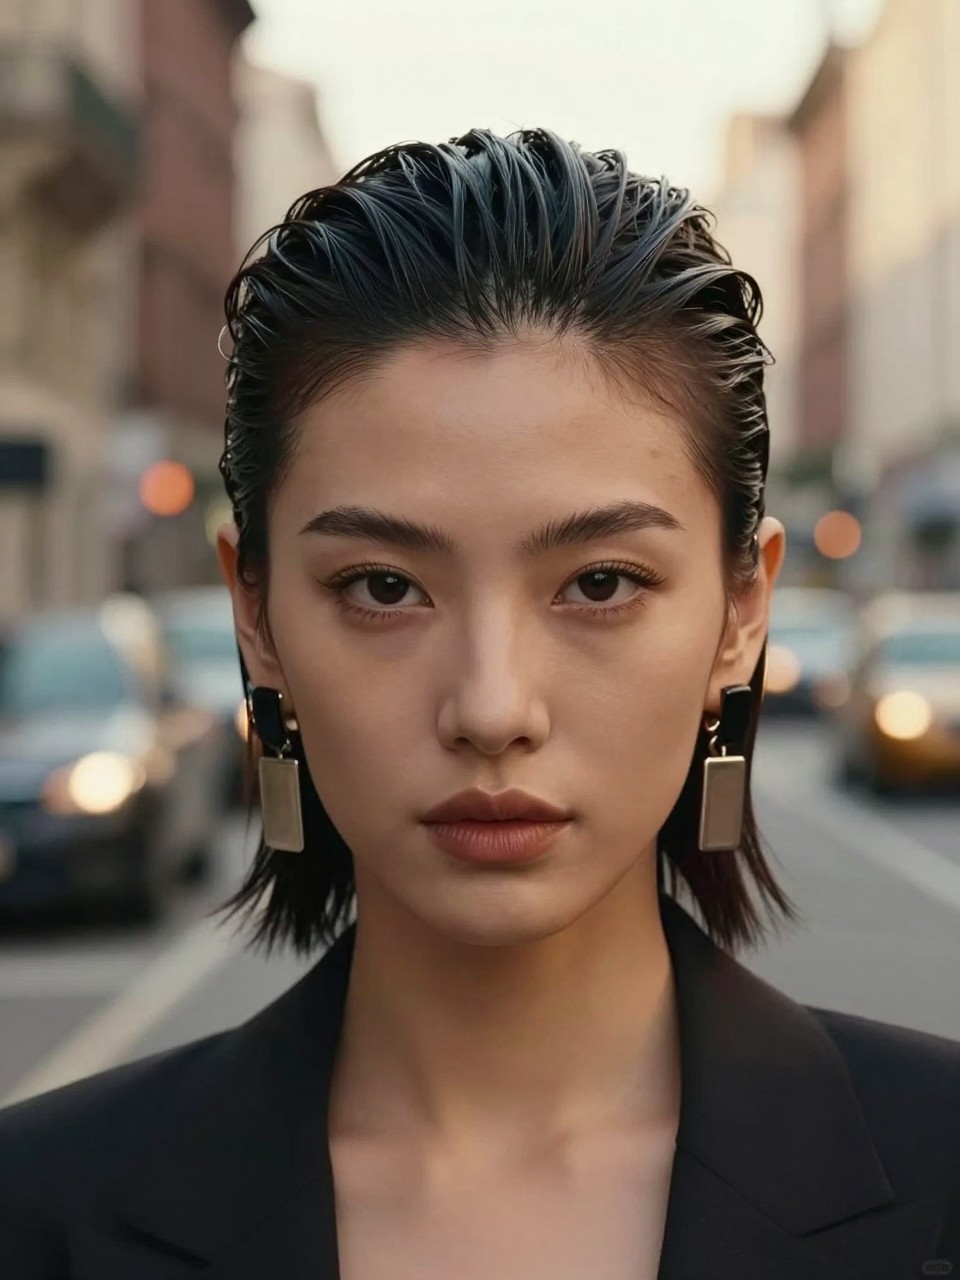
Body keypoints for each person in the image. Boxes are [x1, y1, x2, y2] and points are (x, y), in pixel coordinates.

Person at [0, 126, 958, 1280]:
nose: (493, 706)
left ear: (740, 610)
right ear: (255, 612)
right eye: (383, 587)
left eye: (600, 583)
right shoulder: (36, 1211)